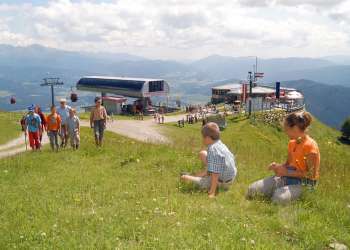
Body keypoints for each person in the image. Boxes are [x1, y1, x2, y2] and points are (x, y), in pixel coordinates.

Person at [246, 111, 320, 205]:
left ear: (295, 128)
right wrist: (277, 166)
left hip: (304, 184)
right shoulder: (292, 143)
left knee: (278, 198)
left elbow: (311, 175)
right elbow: (288, 164)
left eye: (286, 128)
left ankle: (280, 192)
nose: (285, 131)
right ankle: (279, 190)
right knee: (252, 190)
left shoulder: (310, 147)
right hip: (287, 177)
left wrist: (287, 172)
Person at [180, 122, 237, 198]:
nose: (202, 140)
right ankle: (198, 175)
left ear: (208, 138)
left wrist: (212, 192)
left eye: (203, 137)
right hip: (230, 176)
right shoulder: (220, 144)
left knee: (184, 178)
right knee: (203, 153)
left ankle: (202, 180)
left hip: (222, 181)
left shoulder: (213, 150)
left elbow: (215, 174)